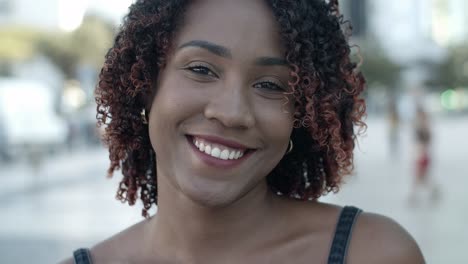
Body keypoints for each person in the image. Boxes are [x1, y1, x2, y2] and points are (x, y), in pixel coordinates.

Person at [61, 0, 425, 263]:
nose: (232, 112)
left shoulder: (373, 253)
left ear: (303, 112)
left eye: (270, 85)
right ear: (145, 85)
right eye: (202, 69)